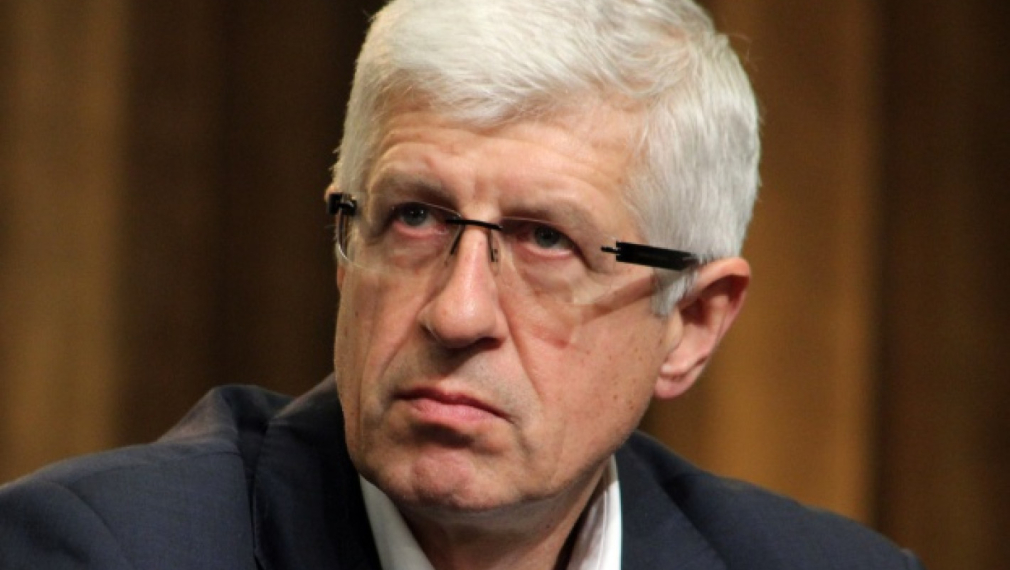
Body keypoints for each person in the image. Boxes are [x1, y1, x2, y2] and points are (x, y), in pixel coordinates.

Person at [0, 0, 925, 568]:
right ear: (346, 250)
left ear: (691, 321)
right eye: (415, 217)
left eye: (547, 239)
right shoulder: (101, 551)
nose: (457, 312)